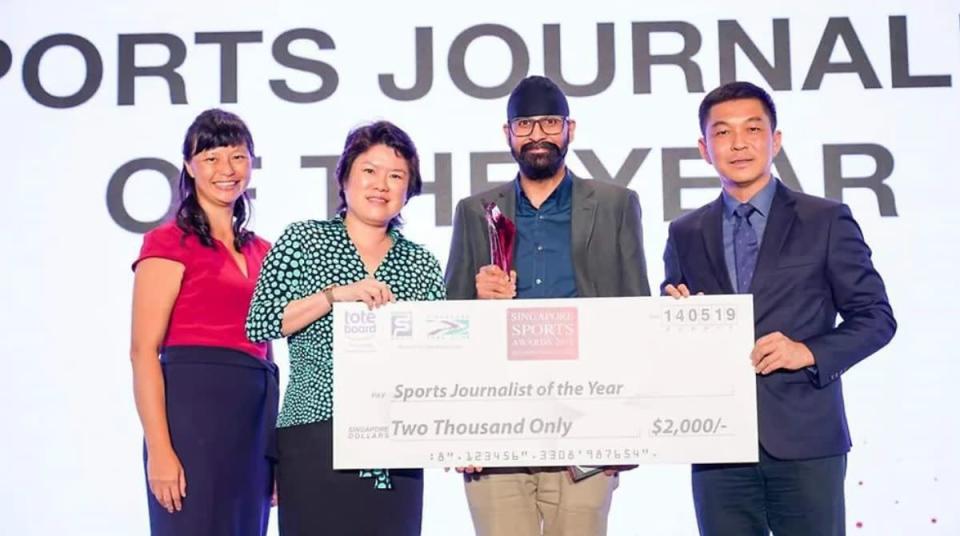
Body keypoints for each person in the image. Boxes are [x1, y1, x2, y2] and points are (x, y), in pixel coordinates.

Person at [662, 81, 897, 536]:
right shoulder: (685, 232)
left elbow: (876, 318)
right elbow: (673, 325)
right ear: (703, 148)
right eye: (722, 133)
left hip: (806, 439)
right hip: (718, 444)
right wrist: (674, 316)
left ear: (776, 140)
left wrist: (807, 351)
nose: (739, 143)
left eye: (753, 129)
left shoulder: (825, 219)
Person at [445, 75, 651, 536]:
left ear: (569, 129)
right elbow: (451, 324)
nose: (538, 134)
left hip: (588, 428)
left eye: (549, 122)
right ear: (508, 135)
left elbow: (637, 314)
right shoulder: (475, 210)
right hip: (495, 426)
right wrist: (456, 431)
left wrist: (629, 426)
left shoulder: (616, 204)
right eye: (525, 124)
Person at [246, 120, 445, 536]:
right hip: (315, 433)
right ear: (344, 177)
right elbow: (261, 322)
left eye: (396, 176)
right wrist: (334, 296)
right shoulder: (303, 241)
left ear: (409, 190)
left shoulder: (421, 262)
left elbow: (440, 355)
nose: (381, 185)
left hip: (396, 440)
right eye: (369, 171)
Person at [130, 108, 278, 536]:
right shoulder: (167, 242)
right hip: (193, 414)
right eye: (211, 158)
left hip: (252, 415)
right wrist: (160, 449)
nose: (226, 170)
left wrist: (273, 451)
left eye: (237, 156)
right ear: (189, 166)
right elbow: (142, 351)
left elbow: (269, 348)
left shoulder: (263, 251)